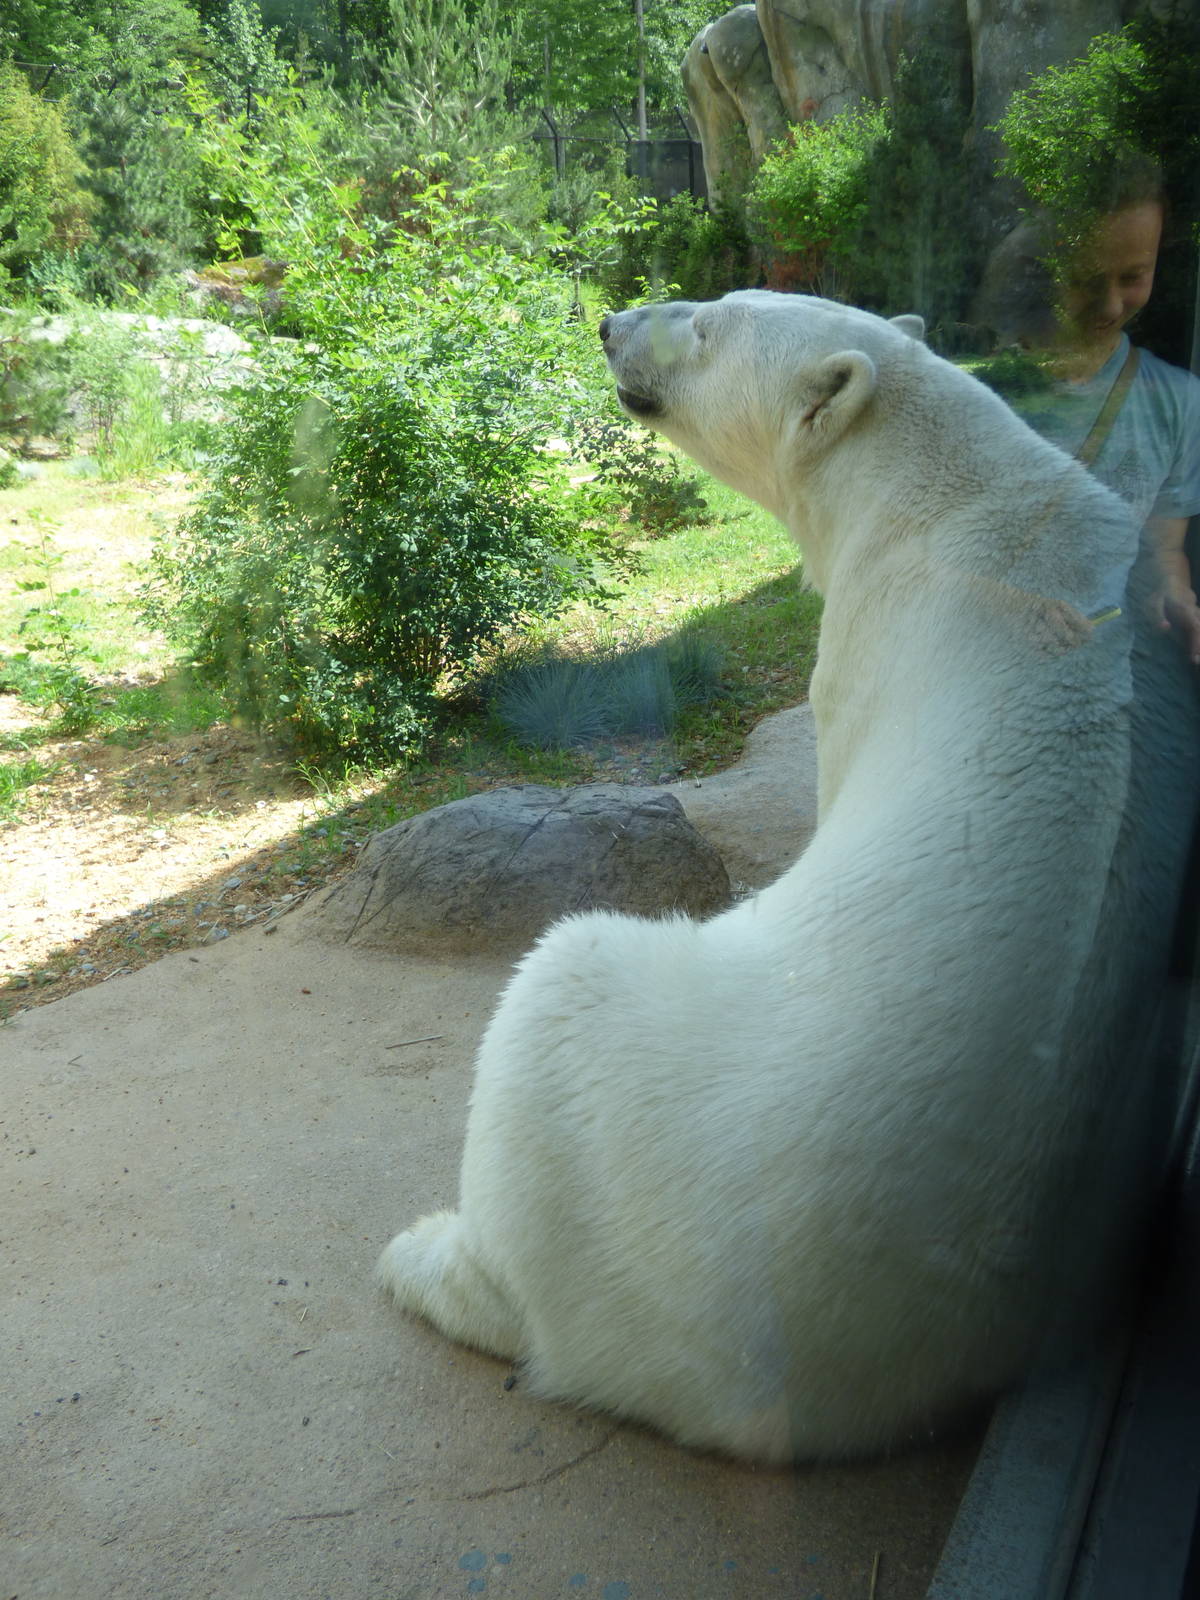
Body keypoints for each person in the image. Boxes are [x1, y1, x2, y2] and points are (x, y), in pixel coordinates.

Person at [979, 178, 1200, 664]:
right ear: (1044, 270)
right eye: (1085, 279)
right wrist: (1008, 607)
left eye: (1134, 276)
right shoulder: (981, 398)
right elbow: (916, 556)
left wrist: (1174, 592)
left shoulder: (1180, 402)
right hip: (984, 670)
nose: (1110, 306)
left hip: (1107, 670)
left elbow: (1164, 550)